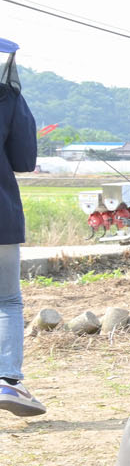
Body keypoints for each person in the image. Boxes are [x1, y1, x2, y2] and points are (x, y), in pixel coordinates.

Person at [0, 38, 41, 419]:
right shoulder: (9, 99)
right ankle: (8, 381)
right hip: (2, 217)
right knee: (7, 301)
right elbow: (25, 160)